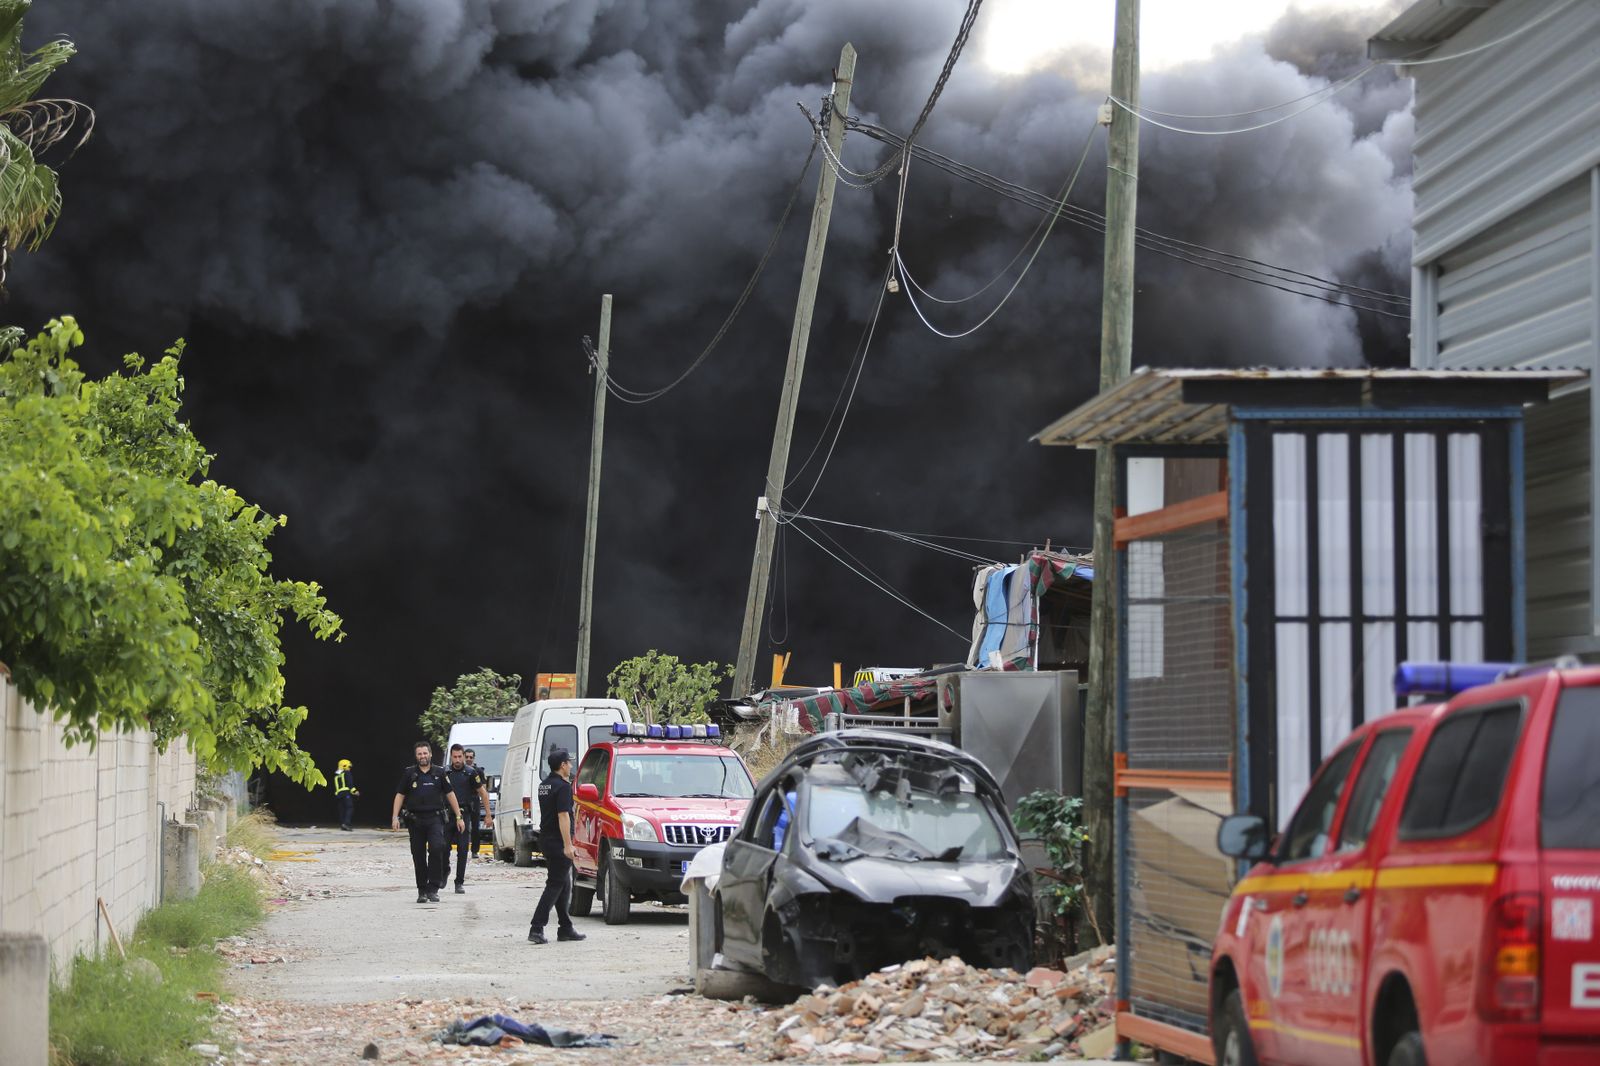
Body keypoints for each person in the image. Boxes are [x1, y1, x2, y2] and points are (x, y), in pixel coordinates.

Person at [391, 740, 465, 904]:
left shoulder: (439, 773)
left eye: (425, 753)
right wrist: (395, 817)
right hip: (415, 820)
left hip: (435, 819)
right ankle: (422, 890)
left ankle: (433, 888)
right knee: (418, 855)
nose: (423, 756)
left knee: (437, 848)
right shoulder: (410, 773)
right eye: (419, 754)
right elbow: (400, 795)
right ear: (416, 756)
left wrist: (459, 816)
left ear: (430, 754)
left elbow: (450, 794)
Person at [528, 749, 586, 944]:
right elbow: (563, 816)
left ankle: (566, 928)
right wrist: (568, 845)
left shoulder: (544, 785)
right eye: (568, 763)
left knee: (564, 883)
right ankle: (536, 928)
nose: (570, 765)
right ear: (562, 765)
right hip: (558, 841)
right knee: (554, 884)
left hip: (546, 838)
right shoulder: (562, 787)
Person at [442, 744, 491, 893]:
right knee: (443, 848)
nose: (457, 760)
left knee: (463, 849)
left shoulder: (470, 773)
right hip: (447, 815)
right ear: (451, 757)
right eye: (455, 757)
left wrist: (488, 814)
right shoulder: (445, 772)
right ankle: (445, 871)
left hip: (465, 815)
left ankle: (459, 882)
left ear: (463, 756)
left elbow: (483, 792)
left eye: (460, 757)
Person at [333, 758, 360, 831]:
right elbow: (350, 784)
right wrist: (355, 791)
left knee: (342, 810)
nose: (350, 769)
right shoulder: (347, 773)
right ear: (344, 766)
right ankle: (346, 823)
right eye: (349, 767)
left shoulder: (336, 775)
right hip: (346, 793)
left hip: (338, 795)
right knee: (349, 808)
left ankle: (342, 824)